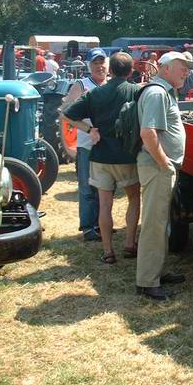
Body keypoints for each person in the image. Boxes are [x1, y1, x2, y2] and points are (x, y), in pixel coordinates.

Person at [62, 52, 141, 265]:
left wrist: (90, 130)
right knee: (134, 199)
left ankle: (108, 251)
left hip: (100, 157)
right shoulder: (136, 91)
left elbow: (67, 114)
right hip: (127, 156)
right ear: (130, 71)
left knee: (104, 205)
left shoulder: (94, 93)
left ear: (111, 70)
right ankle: (130, 244)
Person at [135, 51, 193, 300]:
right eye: (182, 66)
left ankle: (156, 273)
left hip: (161, 168)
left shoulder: (164, 92)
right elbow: (148, 133)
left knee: (162, 223)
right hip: (158, 168)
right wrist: (164, 164)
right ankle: (147, 282)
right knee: (154, 224)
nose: (187, 72)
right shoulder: (157, 93)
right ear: (166, 68)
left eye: (188, 68)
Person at [61, 48, 108, 242]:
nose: (99, 66)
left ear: (107, 64)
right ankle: (88, 227)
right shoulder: (81, 85)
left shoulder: (111, 85)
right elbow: (65, 114)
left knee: (104, 187)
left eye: (102, 62)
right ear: (89, 66)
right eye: (95, 63)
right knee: (87, 187)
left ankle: (102, 224)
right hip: (87, 145)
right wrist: (89, 130)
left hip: (107, 146)